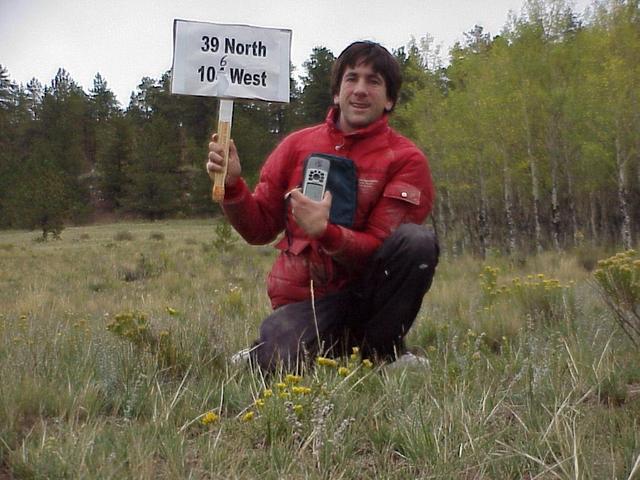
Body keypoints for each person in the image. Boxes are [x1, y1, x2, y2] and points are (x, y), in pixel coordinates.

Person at [207, 41, 439, 371]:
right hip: (308, 302)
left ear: (390, 99)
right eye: (352, 78)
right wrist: (232, 186)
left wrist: (326, 233)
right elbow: (258, 230)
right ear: (336, 92)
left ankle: (383, 353)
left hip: (371, 297)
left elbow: (381, 247)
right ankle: (273, 349)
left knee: (418, 242)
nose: (360, 90)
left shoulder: (407, 160)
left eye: (374, 81)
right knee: (279, 352)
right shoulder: (296, 146)